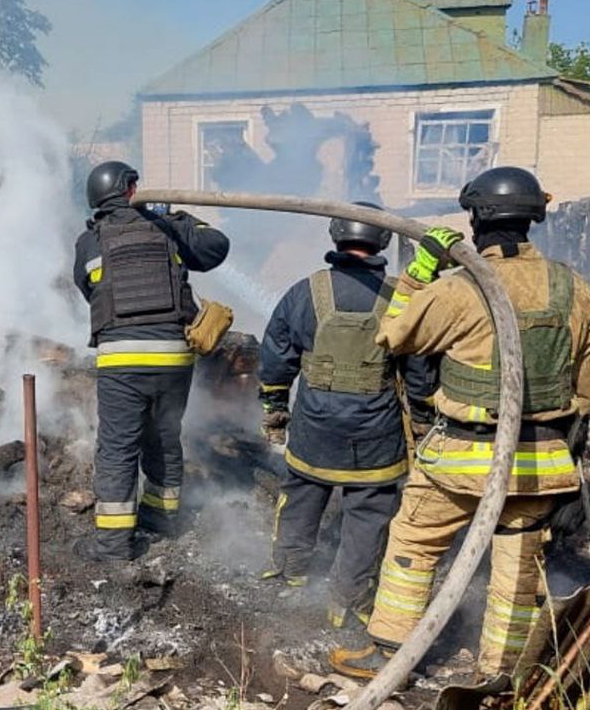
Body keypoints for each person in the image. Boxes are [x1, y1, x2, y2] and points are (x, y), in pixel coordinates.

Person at [330, 167, 590, 680]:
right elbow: (588, 391)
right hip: (538, 463)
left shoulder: (462, 289)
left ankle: (391, 654)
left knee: (414, 542)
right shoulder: (576, 289)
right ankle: (504, 672)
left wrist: (419, 272)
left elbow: (393, 335)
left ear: (476, 218)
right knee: (519, 570)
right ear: (534, 217)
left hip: (459, 458)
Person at [258, 203, 436, 629]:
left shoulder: (305, 292)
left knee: (301, 493)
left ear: (336, 235)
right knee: (369, 513)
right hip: (376, 432)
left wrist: (275, 407)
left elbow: (277, 354)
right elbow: (419, 369)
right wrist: (425, 418)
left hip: (314, 425)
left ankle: (289, 572)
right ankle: (347, 601)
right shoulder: (401, 298)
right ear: (385, 241)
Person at [72, 161, 230, 562]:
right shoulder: (166, 228)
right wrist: (175, 215)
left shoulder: (89, 242)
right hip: (173, 358)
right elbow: (215, 248)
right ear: (130, 188)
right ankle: (161, 520)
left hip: (121, 361)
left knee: (118, 448)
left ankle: (112, 545)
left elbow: (86, 289)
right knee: (163, 436)